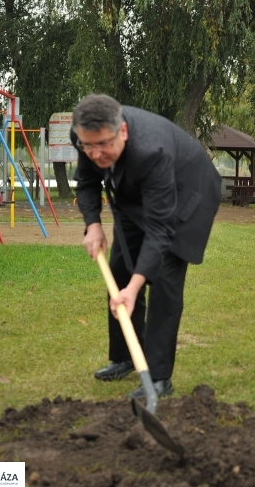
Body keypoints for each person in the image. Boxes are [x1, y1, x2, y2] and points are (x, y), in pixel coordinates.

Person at [72, 94, 221, 399]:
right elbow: (86, 181)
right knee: (119, 271)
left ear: (122, 132)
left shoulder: (151, 150)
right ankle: (126, 357)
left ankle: (158, 377)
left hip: (187, 195)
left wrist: (136, 286)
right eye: (89, 146)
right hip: (133, 195)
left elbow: (160, 230)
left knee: (164, 279)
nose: (96, 154)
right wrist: (93, 224)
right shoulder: (85, 136)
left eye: (103, 145)